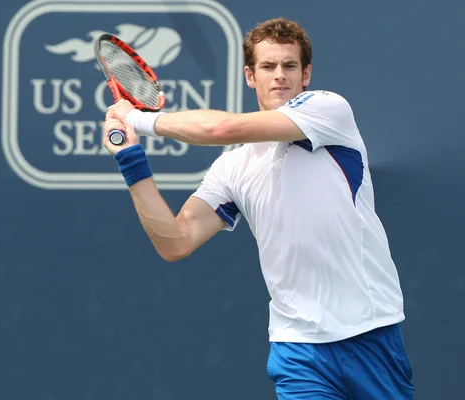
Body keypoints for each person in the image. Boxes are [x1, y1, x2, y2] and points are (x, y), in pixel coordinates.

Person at [102, 17, 414, 399]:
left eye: (289, 66)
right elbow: (175, 241)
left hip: (371, 334)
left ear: (306, 74)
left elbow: (220, 130)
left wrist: (137, 119)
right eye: (268, 67)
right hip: (298, 349)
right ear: (250, 76)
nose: (279, 76)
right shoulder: (234, 168)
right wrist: (131, 159)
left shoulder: (329, 110)